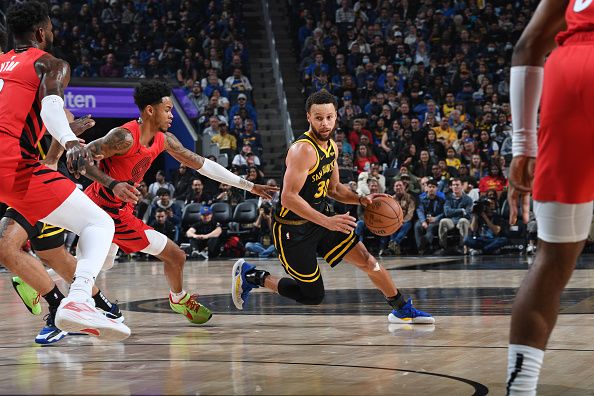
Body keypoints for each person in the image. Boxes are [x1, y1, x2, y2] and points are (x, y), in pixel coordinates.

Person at [231, 90, 434, 325]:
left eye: (329, 117)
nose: (325, 123)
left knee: (368, 261)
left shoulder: (332, 148)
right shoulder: (302, 150)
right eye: (318, 118)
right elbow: (288, 198)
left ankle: (401, 309)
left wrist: (361, 199)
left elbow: (334, 189)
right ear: (308, 117)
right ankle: (253, 276)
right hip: (293, 229)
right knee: (313, 295)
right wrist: (327, 221)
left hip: (323, 219)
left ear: (336, 116)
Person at [84, 80, 278, 325]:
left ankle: (42, 283)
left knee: (103, 264)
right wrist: (113, 184)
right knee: (175, 256)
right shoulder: (123, 137)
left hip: (121, 209)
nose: (172, 114)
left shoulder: (164, 140)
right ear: (150, 110)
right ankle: (178, 299)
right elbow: (82, 159)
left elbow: (203, 164)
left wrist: (249, 186)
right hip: (104, 208)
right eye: (167, 109)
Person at [0, 1, 132, 341]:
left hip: (13, 174)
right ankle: (78, 299)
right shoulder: (49, 63)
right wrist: (72, 140)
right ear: (42, 32)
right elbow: (52, 107)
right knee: (99, 222)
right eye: (52, 29)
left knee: (18, 247)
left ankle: (69, 304)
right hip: (14, 165)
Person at [505, 1, 594, 394]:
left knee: (552, 260)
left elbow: (529, 45)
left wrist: (522, 145)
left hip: (569, 72)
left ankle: (519, 389)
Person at [4, 111, 123, 344]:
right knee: (53, 255)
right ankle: (104, 306)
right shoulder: (11, 97)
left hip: (43, 184)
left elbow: (62, 123)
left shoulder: (44, 98)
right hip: (19, 187)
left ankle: (61, 305)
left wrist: (53, 155)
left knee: (11, 246)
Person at [438, 178, 473, 253]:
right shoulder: (448, 198)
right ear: (451, 187)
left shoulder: (468, 199)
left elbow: (467, 215)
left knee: (463, 221)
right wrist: (460, 210)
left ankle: (463, 246)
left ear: (462, 186)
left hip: (462, 220)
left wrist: (455, 212)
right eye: (453, 185)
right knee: (443, 221)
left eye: (457, 185)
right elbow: (447, 212)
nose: (455, 187)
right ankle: (443, 247)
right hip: (451, 220)